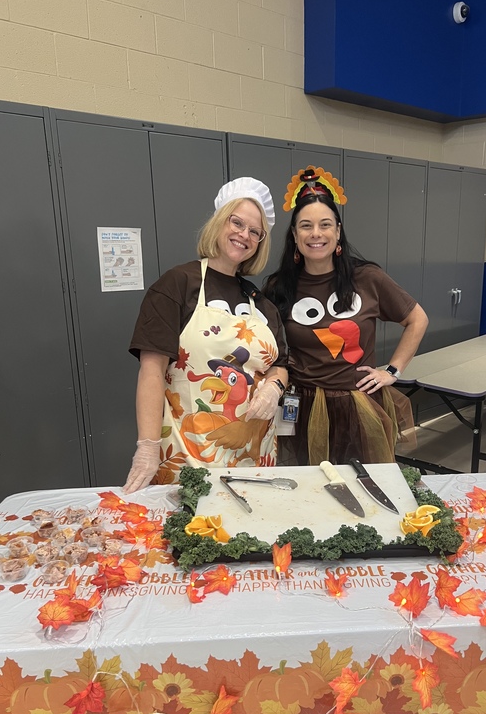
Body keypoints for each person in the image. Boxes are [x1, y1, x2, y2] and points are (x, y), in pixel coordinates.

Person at [123, 177, 289, 493]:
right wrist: (147, 446)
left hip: (255, 460)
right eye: (237, 223)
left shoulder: (261, 302)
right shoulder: (177, 284)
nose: (245, 235)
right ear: (219, 221)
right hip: (188, 456)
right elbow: (152, 370)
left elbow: (280, 364)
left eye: (255, 231)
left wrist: (274, 388)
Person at [263, 166, 428, 466]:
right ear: (294, 235)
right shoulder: (279, 287)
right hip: (298, 406)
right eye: (306, 226)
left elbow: (417, 319)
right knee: (305, 484)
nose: (316, 233)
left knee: (361, 484)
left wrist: (392, 371)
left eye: (325, 225)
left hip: (357, 405)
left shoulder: (367, 278)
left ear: (338, 232)